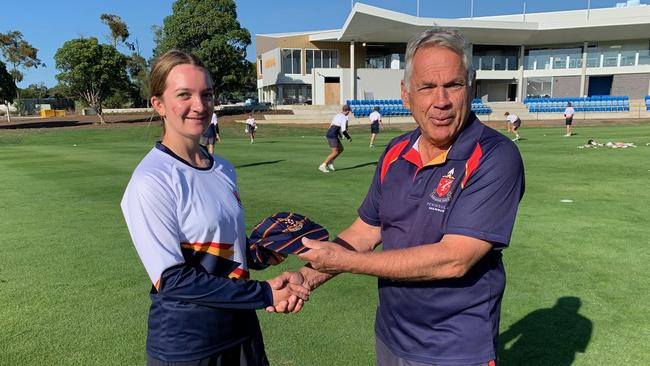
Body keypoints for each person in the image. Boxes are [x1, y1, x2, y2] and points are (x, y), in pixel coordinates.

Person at [291, 28, 525, 365]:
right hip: (390, 335)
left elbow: (454, 259)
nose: (441, 101)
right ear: (406, 95)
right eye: (427, 87)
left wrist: (344, 261)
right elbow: (365, 232)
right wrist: (306, 278)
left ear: (470, 87)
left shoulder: (495, 156)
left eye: (453, 85)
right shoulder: (395, 151)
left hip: (454, 349)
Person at [120, 50, 308, 366]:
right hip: (189, 346)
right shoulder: (151, 180)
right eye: (184, 95)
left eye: (206, 95)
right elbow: (173, 279)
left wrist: (258, 254)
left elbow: (218, 252)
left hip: (242, 331)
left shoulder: (222, 168)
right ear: (159, 105)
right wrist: (263, 294)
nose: (199, 105)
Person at [319, 104, 352, 173]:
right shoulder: (344, 117)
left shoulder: (337, 115)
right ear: (347, 111)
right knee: (335, 152)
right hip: (332, 134)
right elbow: (343, 130)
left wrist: (339, 135)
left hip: (332, 132)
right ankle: (323, 165)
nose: (349, 113)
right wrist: (348, 138)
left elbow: (333, 125)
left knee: (341, 149)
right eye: (349, 111)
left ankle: (331, 162)